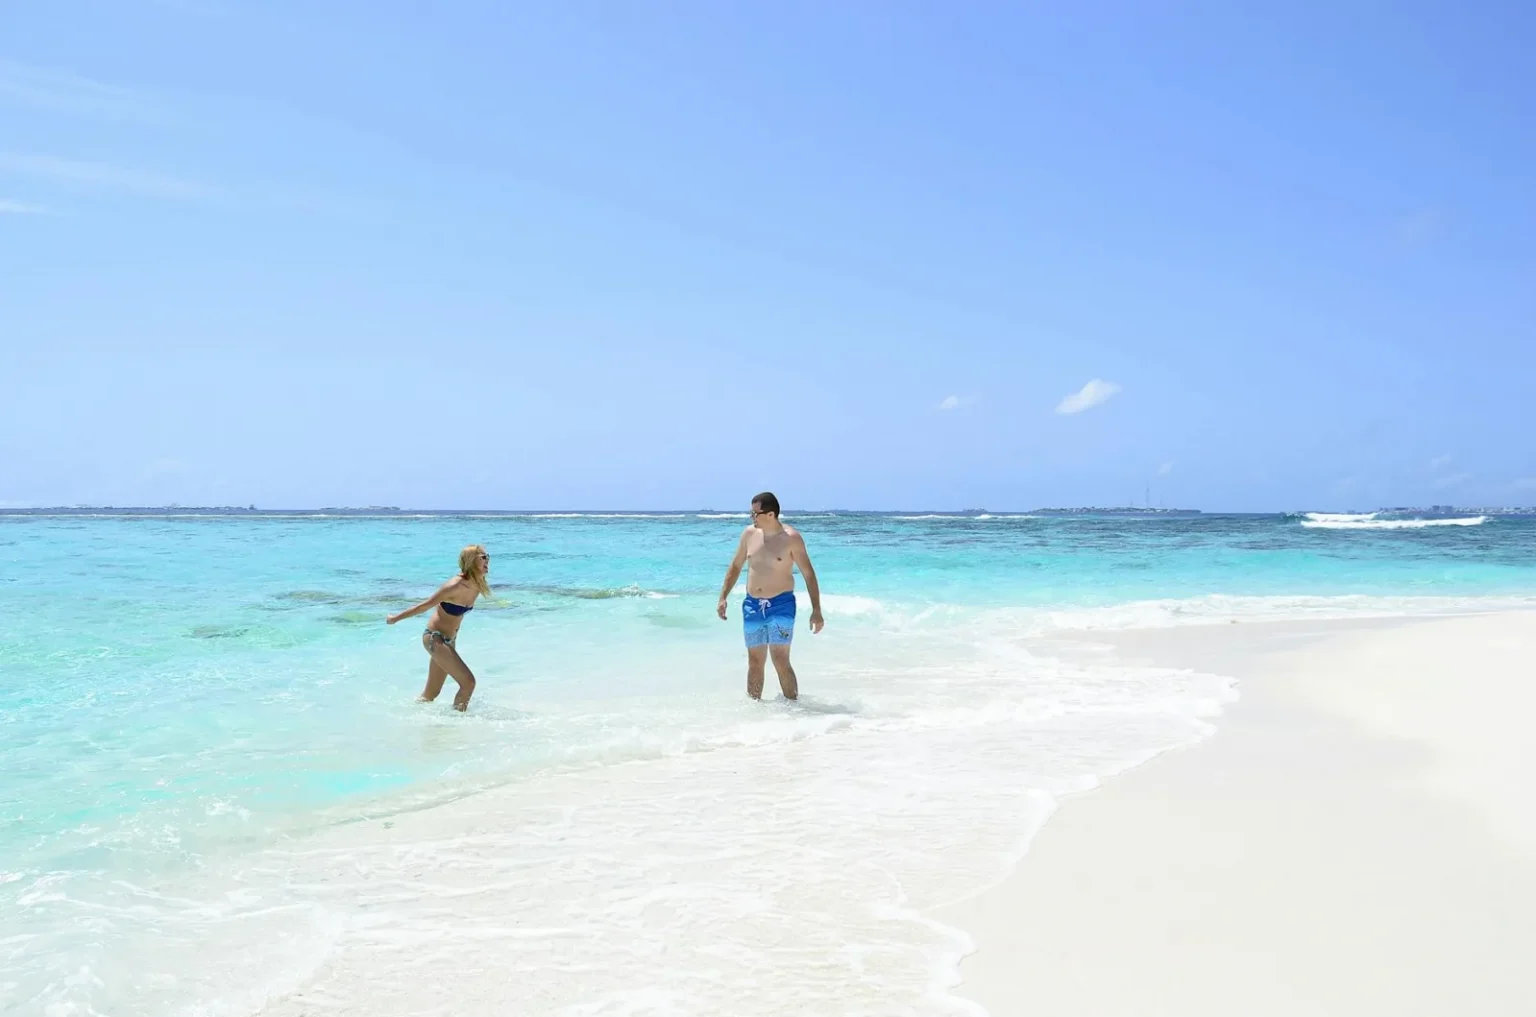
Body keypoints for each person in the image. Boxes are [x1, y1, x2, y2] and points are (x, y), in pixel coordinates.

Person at [716, 492, 824, 700]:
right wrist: (723, 597)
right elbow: (736, 566)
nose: (752, 517)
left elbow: (809, 574)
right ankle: (755, 712)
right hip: (752, 606)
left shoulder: (791, 539)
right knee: (755, 661)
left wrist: (816, 610)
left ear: (771, 514)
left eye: (755, 513)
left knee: (780, 659)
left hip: (781, 604)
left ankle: (793, 708)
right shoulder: (748, 535)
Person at [386, 545, 491, 711]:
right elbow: (424, 606)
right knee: (468, 683)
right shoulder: (454, 586)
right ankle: (456, 725)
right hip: (435, 638)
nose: (487, 561)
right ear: (471, 561)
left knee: (430, 695)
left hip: (449, 641)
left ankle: (411, 719)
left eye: (488, 557)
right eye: (483, 557)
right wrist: (395, 619)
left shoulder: (478, 584)